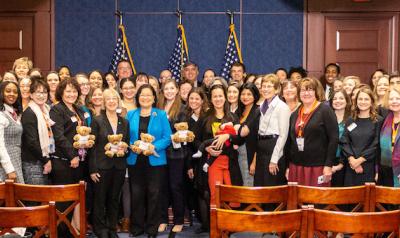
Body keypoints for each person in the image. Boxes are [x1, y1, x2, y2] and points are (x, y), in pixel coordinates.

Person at [126, 84, 171, 237]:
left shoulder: (161, 114)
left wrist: (154, 147)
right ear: (138, 98)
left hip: (155, 161)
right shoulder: (130, 115)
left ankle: (152, 228)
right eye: (142, 95)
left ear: (153, 98)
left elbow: (167, 138)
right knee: (136, 194)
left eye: (148, 95)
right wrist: (131, 146)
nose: (145, 98)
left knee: (154, 194)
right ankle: (137, 227)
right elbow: (125, 137)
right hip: (135, 160)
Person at [49, 78, 88, 237]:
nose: (72, 94)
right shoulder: (56, 109)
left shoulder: (78, 109)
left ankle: (72, 232)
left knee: (74, 201)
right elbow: (59, 136)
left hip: (79, 161)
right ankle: (60, 233)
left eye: (74, 91)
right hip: (64, 162)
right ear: (61, 93)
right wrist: (72, 155)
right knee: (63, 202)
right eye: (68, 91)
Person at [90, 88, 130, 238]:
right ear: (104, 103)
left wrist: (124, 149)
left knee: (114, 199)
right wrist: (92, 169)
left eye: (114, 98)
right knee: (100, 199)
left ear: (118, 101)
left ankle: (112, 228)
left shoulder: (124, 122)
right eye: (108, 99)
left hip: (119, 167)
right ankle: (100, 229)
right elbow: (92, 146)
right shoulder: (97, 120)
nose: (112, 101)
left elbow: (127, 145)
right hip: (101, 166)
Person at [285, 77, 338, 186]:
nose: (306, 93)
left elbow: (334, 139)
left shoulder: (325, 110)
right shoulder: (295, 114)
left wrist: (328, 165)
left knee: (316, 201)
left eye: (310, 89)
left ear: (316, 91)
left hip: (318, 166)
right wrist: (287, 167)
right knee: (297, 201)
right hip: (296, 165)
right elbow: (289, 142)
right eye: (303, 90)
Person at [198, 84, 242, 205]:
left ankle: (231, 223)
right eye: (215, 96)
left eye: (220, 96)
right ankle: (216, 223)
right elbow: (196, 140)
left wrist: (228, 136)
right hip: (212, 162)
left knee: (233, 197)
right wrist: (206, 148)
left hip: (230, 162)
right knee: (215, 196)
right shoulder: (205, 117)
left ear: (225, 97)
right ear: (211, 99)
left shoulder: (233, 117)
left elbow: (240, 139)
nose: (218, 99)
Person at [157, 79, 186, 233]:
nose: (169, 91)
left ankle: (179, 220)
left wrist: (174, 137)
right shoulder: (158, 108)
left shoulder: (182, 109)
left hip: (176, 155)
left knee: (175, 187)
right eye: (166, 88)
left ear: (177, 90)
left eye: (171, 88)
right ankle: (162, 220)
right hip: (160, 154)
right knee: (162, 187)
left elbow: (183, 133)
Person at [252, 74, 290, 187]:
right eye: (264, 86)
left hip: (274, 147)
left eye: (269, 86)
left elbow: (283, 136)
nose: (265, 89)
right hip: (261, 146)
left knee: (272, 185)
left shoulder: (282, 107)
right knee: (260, 183)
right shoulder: (261, 106)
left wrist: (274, 160)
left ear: (277, 89)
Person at [341, 87, 381, 186]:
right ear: (356, 101)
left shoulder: (378, 121)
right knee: (349, 198)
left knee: (367, 199)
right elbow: (344, 141)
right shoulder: (350, 120)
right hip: (351, 166)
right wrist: (352, 160)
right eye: (360, 99)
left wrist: (359, 160)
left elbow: (376, 144)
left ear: (372, 102)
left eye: (366, 99)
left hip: (368, 166)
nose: (363, 102)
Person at [184, 88, 209, 233]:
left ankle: (212, 223)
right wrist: (189, 166)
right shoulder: (187, 118)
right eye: (191, 98)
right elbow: (187, 146)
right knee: (198, 192)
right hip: (193, 160)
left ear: (202, 100)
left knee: (207, 192)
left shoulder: (207, 117)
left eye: (196, 98)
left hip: (207, 158)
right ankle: (204, 224)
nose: (194, 101)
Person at [21, 78, 53, 185]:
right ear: (31, 94)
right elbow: (32, 142)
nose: (41, 95)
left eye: (44, 92)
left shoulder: (46, 111)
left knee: (44, 199)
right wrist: (46, 160)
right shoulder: (29, 113)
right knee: (34, 199)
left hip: (42, 159)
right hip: (32, 163)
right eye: (38, 92)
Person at [234, 82, 259, 187]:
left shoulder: (258, 111)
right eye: (243, 94)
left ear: (255, 96)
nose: (245, 97)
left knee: (249, 186)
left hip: (250, 156)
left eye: (249, 94)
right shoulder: (238, 112)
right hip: (238, 155)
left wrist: (254, 162)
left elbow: (259, 139)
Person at [0, 81, 24, 183]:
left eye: (15, 92)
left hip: (16, 159)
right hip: (6, 162)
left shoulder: (13, 112)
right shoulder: (1, 114)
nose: (12, 94)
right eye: (8, 91)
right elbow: (0, 145)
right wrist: (9, 169)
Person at [329, 90, 352, 187]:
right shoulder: (327, 117)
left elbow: (352, 143)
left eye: (341, 98)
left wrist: (340, 165)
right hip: (327, 161)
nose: (338, 101)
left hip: (346, 162)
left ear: (347, 101)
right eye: (335, 98)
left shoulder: (352, 119)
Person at [379, 86, 400, 187]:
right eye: (391, 99)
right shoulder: (385, 119)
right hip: (385, 169)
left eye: (398, 98)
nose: (394, 101)